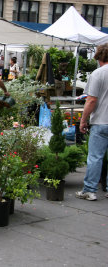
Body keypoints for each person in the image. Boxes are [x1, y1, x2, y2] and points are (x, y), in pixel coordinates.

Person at [75, 43, 108, 201]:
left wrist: (83, 120)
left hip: (101, 121)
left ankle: (90, 190)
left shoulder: (98, 73)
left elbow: (91, 100)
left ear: (99, 56)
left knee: (95, 157)